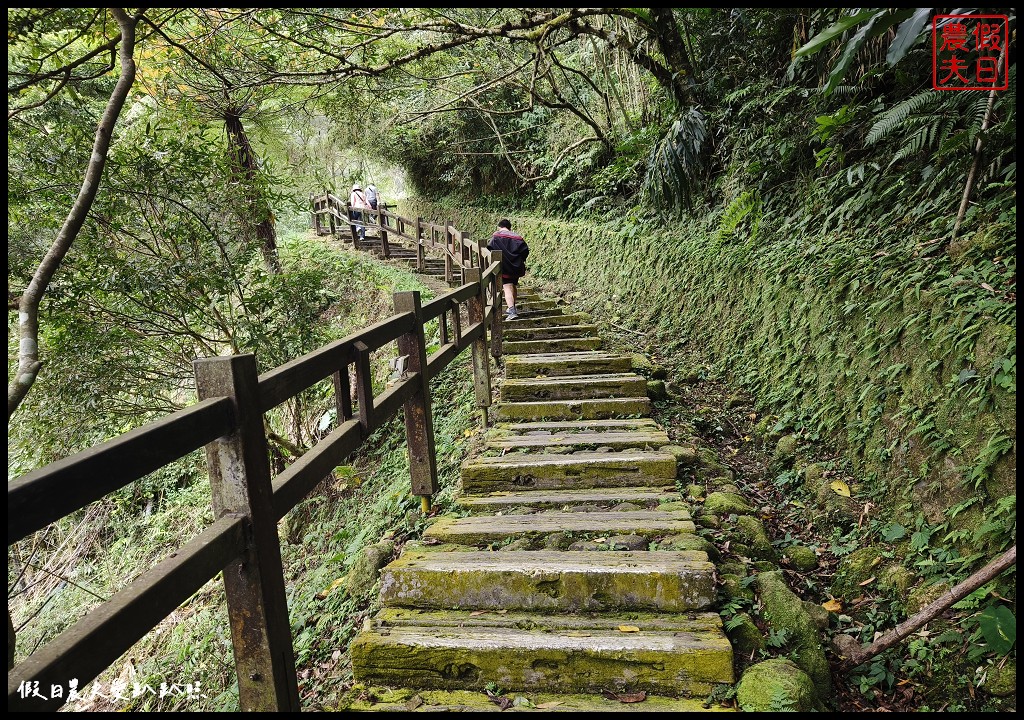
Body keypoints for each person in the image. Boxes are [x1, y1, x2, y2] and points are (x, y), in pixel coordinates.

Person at [487, 218, 529, 320]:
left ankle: (512, 310)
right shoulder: (518, 237)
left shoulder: (496, 237)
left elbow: (489, 249)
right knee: (513, 285)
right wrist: (519, 260)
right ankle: (513, 307)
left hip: (504, 266)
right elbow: (525, 251)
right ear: (509, 228)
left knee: (507, 287)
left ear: (499, 227)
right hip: (516, 267)